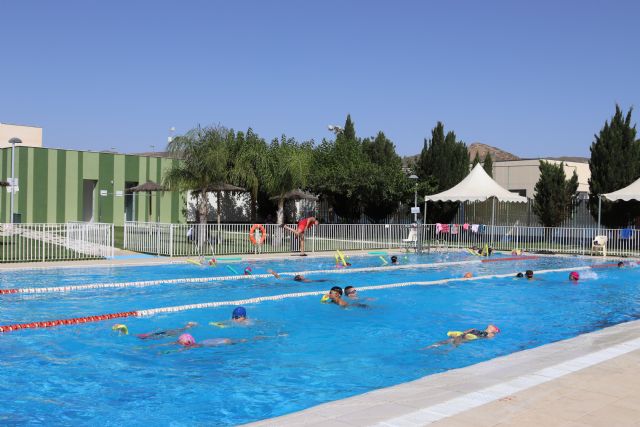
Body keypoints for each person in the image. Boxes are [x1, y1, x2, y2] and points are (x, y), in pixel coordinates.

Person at [424, 325, 500, 349]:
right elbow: (489, 337)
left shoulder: (489, 333)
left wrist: (493, 332)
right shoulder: (488, 333)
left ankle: (429, 347)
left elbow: (489, 336)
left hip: (470, 335)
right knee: (455, 342)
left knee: (451, 340)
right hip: (471, 335)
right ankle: (445, 351)